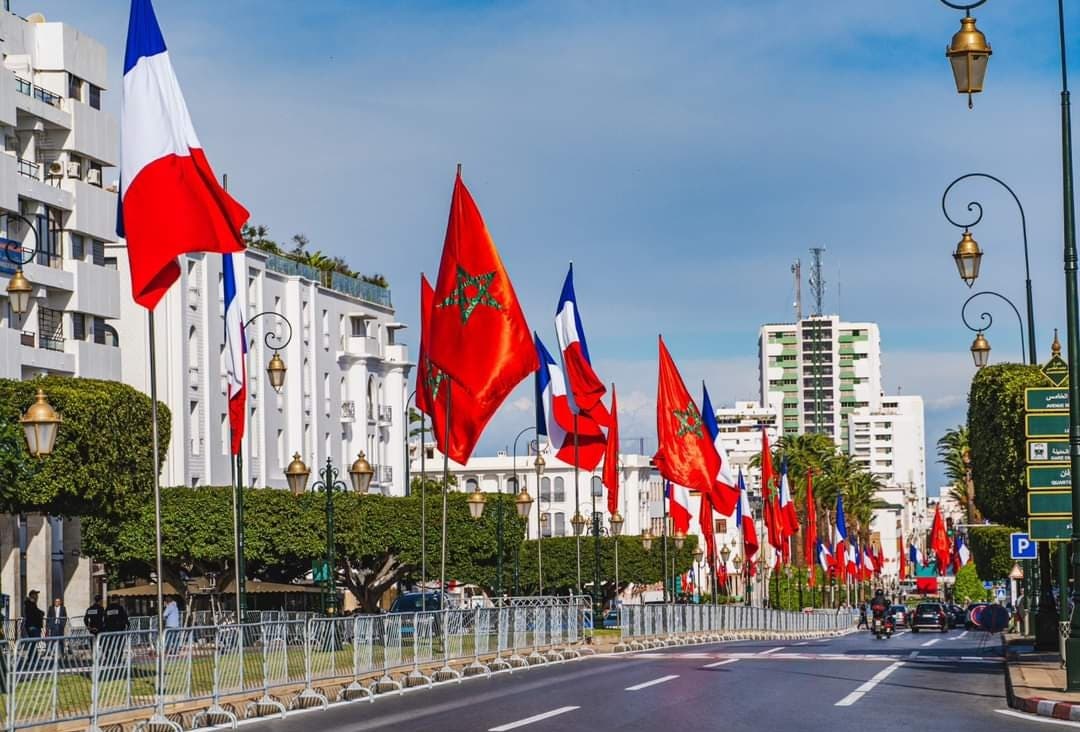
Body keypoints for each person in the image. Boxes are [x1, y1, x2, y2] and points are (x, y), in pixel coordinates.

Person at [21, 590, 44, 668]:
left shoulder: (32, 604)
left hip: (34, 626)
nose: (37, 596)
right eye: (35, 595)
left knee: (34, 644)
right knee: (33, 644)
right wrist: (40, 613)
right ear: (32, 595)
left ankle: (34, 659)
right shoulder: (29, 604)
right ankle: (31, 660)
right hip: (32, 626)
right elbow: (34, 614)